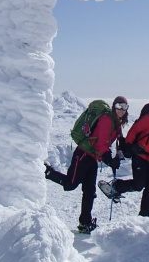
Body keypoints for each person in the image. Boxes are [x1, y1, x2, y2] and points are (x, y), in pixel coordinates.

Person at [45, 96, 129, 233]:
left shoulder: (116, 122)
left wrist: (122, 150)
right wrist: (109, 159)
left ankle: (85, 222)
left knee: (89, 192)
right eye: (119, 106)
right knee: (70, 184)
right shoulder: (106, 120)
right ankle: (47, 171)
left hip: (92, 158)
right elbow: (101, 143)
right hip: (83, 155)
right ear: (114, 106)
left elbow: (119, 138)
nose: (122, 110)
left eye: (125, 107)